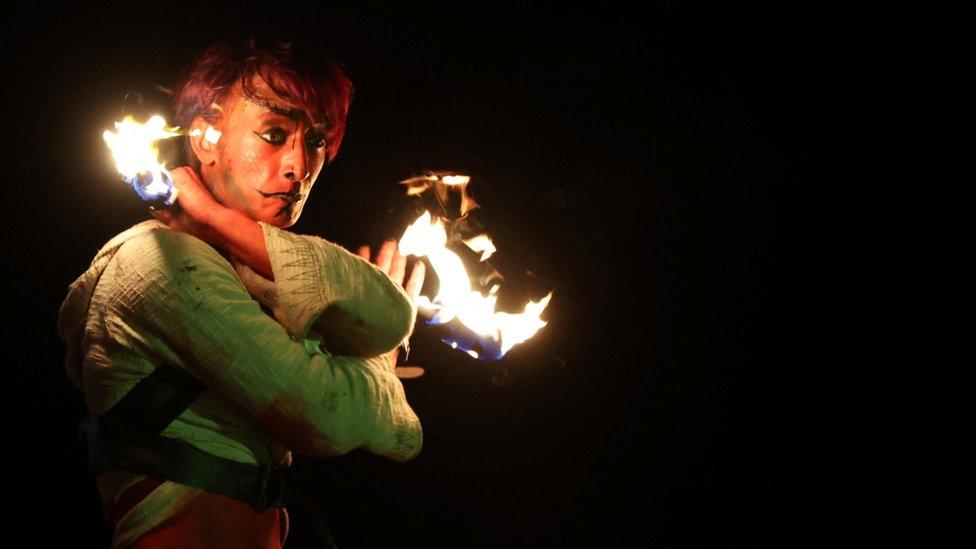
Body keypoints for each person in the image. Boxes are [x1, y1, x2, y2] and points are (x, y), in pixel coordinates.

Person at [58, 38, 425, 548]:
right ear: (205, 136)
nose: (299, 165)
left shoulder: (239, 271)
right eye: (274, 134)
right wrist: (376, 364)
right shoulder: (156, 262)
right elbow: (326, 417)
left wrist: (218, 221)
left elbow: (387, 316)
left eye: (315, 141)